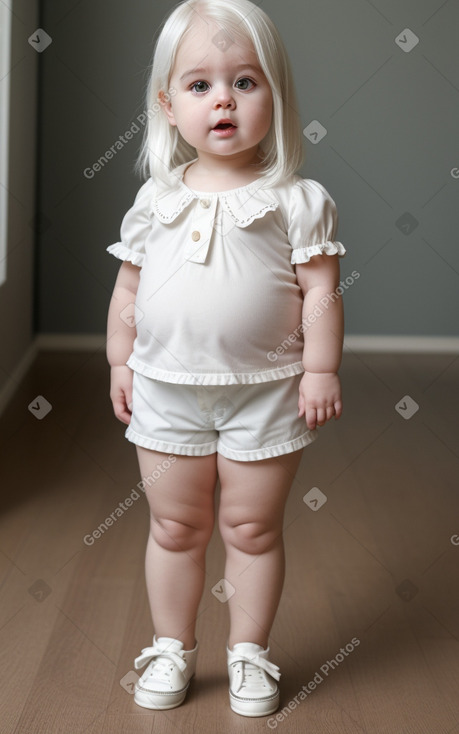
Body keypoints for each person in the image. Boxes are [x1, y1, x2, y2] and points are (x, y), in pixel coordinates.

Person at [106, 0, 346, 718]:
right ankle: (172, 646)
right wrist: (121, 359)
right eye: (200, 85)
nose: (223, 101)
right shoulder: (155, 200)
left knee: (251, 527)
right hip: (165, 388)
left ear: (275, 95)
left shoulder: (296, 200)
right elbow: (129, 285)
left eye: (245, 82)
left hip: (265, 391)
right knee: (175, 527)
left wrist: (319, 369)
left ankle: (248, 652)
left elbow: (322, 292)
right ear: (167, 104)